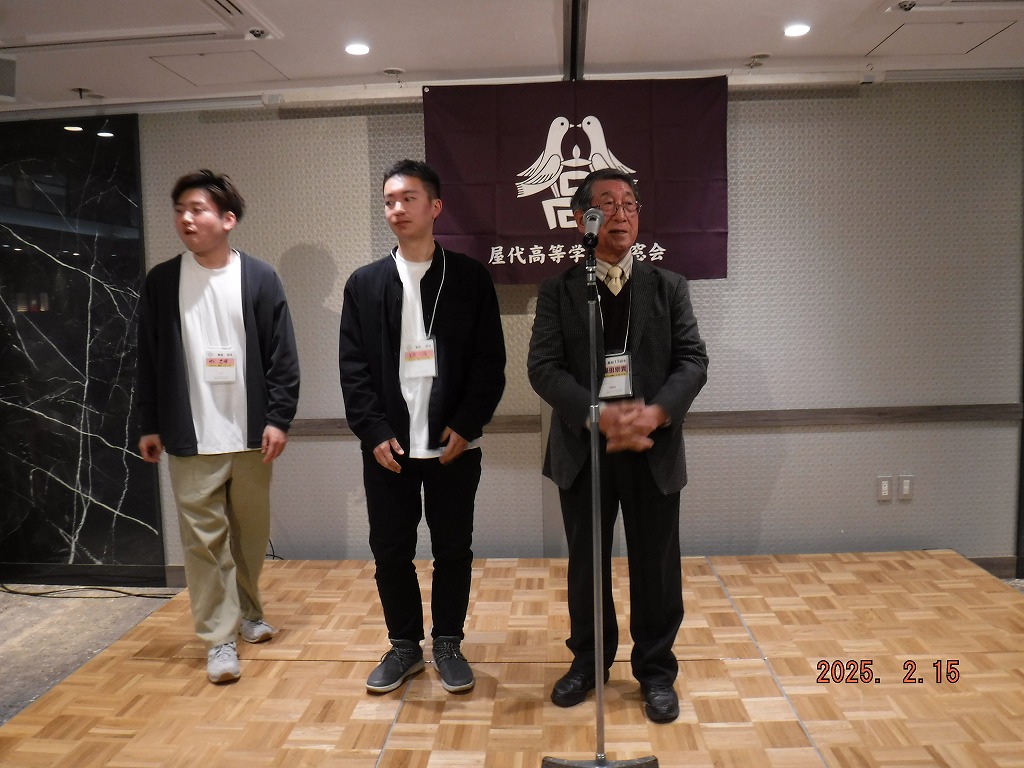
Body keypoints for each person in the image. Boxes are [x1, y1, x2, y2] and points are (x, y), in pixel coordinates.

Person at [527, 168, 708, 723]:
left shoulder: (668, 286)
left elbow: (693, 361)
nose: (621, 213)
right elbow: (543, 368)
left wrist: (655, 413)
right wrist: (597, 416)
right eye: (607, 203)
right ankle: (589, 663)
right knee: (587, 566)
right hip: (585, 451)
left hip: (653, 447)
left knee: (657, 566)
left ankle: (656, 672)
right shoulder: (560, 290)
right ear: (583, 218)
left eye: (630, 204)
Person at [339, 159, 506, 695]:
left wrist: (467, 423)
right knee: (390, 551)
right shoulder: (364, 284)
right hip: (388, 447)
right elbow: (353, 368)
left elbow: (490, 363)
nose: (397, 208)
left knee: (453, 549)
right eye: (389, 200)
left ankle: (448, 643)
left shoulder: (470, 278)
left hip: (453, 444)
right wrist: (371, 430)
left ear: (435, 207)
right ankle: (405, 646)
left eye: (408, 198)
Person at [136, 170, 300, 684]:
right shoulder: (162, 281)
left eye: (198, 209)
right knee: (203, 544)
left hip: (251, 436)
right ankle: (218, 638)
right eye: (180, 210)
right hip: (190, 437)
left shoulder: (260, 278)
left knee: (250, 537)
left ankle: (249, 612)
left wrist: (278, 418)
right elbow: (147, 357)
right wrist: (149, 422)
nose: (186, 218)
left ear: (228, 220)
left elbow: (282, 356)